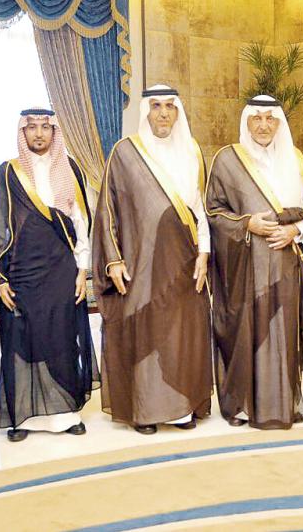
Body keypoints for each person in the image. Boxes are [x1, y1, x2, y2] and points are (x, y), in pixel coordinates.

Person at [92, 85, 212, 434]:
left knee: (182, 333)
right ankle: (145, 410)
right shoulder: (125, 152)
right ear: (146, 111)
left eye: (169, 106)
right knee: (145, 332)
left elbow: (200, 209)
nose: (163, 113)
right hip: (141, 263)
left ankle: (181, 407)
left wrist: (204, 253)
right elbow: (107, 210)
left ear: (178, 112)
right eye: (156, 106)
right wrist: (113, 259)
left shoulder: (192, 151)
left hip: (185, 262)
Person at [206, 95, 303, 429]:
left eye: (270, 119)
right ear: (247, 122)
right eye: (257, 118)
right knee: (245, 333)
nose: (264, 125)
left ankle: (281, 404)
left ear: (279, 123)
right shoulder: (227, 159)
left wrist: (294, 231)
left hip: (285, 264)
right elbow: (213, 212)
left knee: (282, 335)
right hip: (245, 266)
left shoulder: (296, 159)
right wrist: (247, 224)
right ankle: (242, 405)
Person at [0, 107, 97, 442]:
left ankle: (67, 414)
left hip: (62, 271)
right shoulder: (8, 172)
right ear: (23, 132)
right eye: (32, 127)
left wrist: (82, 271)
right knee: (22, 340)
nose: (38, 133)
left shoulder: (70, 168)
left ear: (54, 132)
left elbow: (81, 223)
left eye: (45, 127)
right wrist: (0, 278)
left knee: (62, 338)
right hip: (21, 273)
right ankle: (24, 416)